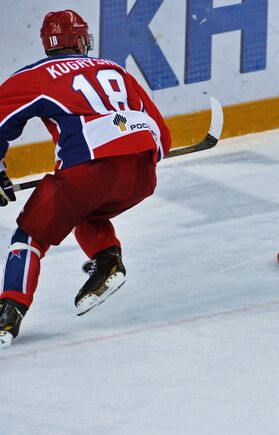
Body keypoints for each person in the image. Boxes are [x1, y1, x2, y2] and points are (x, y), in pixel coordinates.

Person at [0, 10, 171, 347]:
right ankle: (108, 260)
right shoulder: (115, 68)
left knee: (30, 234)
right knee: (86, 212)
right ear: (79, 40)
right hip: (143, 173)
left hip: (88, 174)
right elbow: (161, 135)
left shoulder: (36, 75)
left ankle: (8, 312)